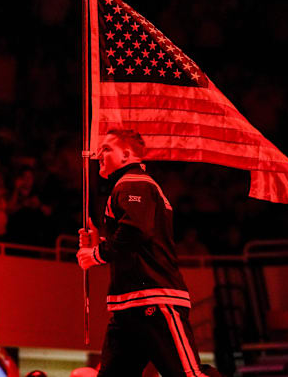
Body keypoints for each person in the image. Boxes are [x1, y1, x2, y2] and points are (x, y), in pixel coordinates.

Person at [77, 129, 209, 377]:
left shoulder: (133, 183)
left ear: (126, 155)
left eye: (107, 149)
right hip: (130, 305)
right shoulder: (131, 185)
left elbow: (136, 231)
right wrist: (99, 243)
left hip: (154, 299)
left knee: (190, 375)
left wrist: (96, 254)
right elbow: (133, 240)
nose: (99, 154)